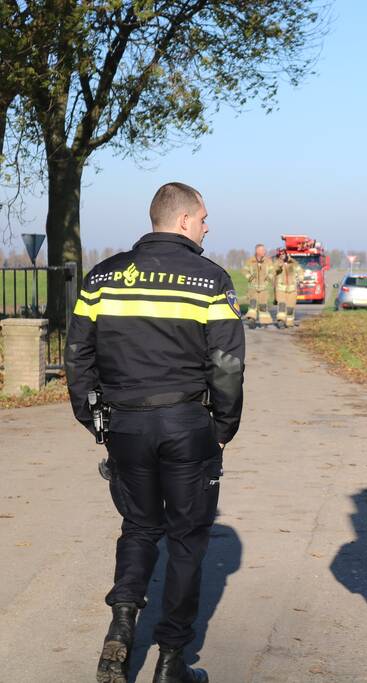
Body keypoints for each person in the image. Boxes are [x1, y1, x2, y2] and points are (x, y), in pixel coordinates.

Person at [65, 182, 245, 683]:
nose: (208, 226)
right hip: (187, 423)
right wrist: (224, 426)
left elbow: (77, 353)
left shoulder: (103, 277)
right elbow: (227, 364)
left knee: (140, 528)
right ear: (184, 220)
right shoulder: (211, 280)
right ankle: (170, 661)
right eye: (205, 217)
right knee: (186, 540)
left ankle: (121, 627)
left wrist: (91, 417)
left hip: (123, 423)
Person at [243, 244, 274, 327]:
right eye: (263, 250)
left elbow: (272, 271)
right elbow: (244, 271)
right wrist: (250, 278)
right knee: (253, 304)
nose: (265, 251)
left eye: (264, 250)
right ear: (257, 251)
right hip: (252, 288)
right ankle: (251, 320)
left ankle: (264, 321)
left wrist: (268, 279)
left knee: (263, 305)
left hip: (264, 288)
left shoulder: (268, 261)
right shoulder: (250, 261)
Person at [273, 250, 303, 328]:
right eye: (280, 255)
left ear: (286, 254)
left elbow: (300, 271)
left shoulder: (293, 263)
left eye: (283, 254)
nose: (282, 256)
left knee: (290, 307)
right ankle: (281, 321)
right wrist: (279, 265)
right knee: (282, 305)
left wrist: (300, 279)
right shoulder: (277, 263)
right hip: (280, 289)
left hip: (292, 290)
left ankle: (289, 322)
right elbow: (273, 271)